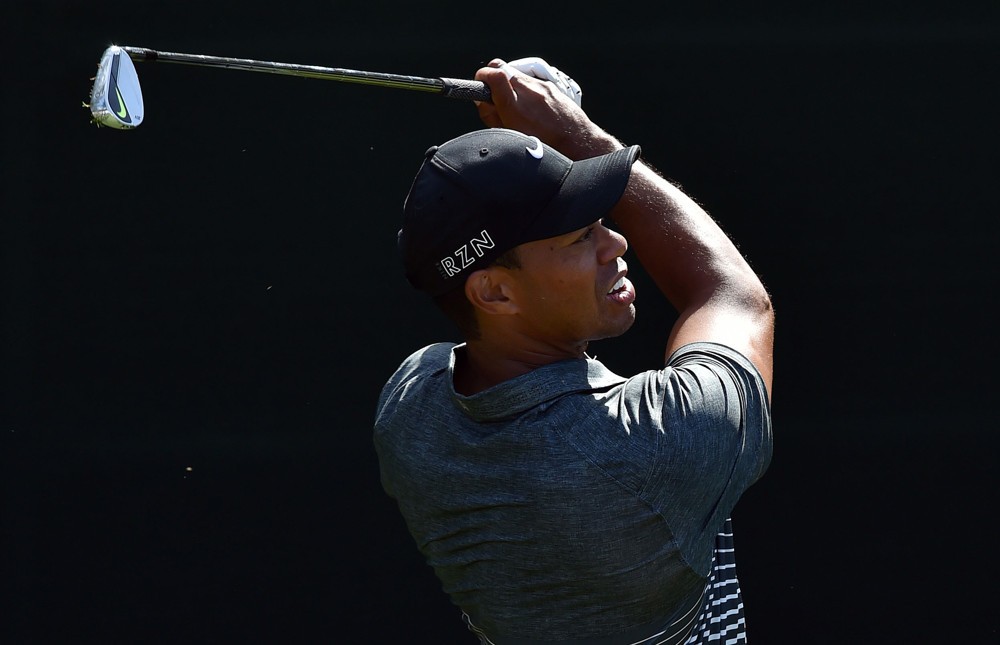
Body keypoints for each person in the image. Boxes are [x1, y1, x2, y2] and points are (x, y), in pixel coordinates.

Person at [373, 56, 774, 645]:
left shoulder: (410, 405)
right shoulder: (651, 445)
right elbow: (732, 296)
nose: (616, 240)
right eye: (579, 235)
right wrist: (574, 135)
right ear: (495, 291)